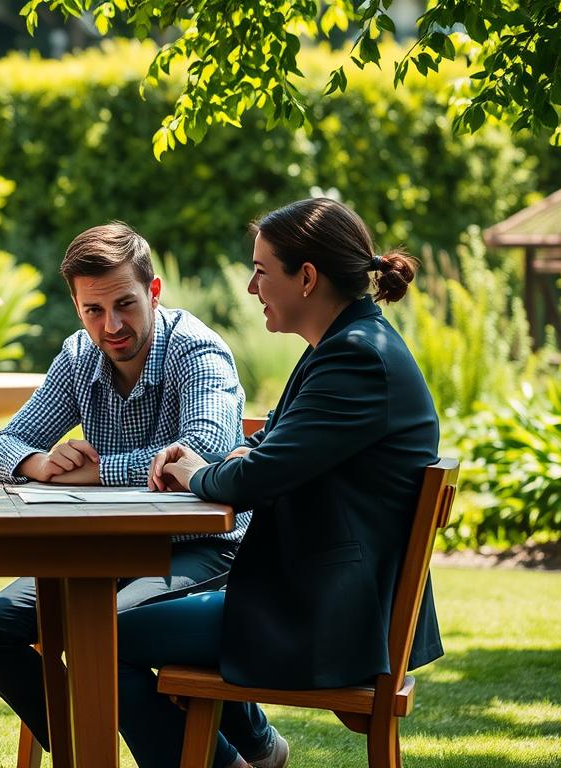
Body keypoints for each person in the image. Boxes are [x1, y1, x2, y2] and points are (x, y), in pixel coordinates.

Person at [126, 198, 443, 768]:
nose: (251, 287)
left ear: (307, 277)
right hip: (312, 601)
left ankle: (236, 761)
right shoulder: (343, 346)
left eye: (261, 270)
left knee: (105, 633)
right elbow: (271, 445)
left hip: (321, 619)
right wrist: (229, 462)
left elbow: (260, 475)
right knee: (115, 624)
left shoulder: (358, 359)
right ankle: (253, 752)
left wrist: (200, 472)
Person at [0, 221, 249, 752]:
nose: (111, 325)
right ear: (76, 307)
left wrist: (96, 469)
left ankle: (228, 758)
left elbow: (201, 450)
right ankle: (83, 747)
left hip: (204, 548)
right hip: (104, 549)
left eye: (125, 305)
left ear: (154, 292)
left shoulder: (198, 350)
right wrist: (38, 461)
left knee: (111, 631)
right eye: (93, 310)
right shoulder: (77, 356)